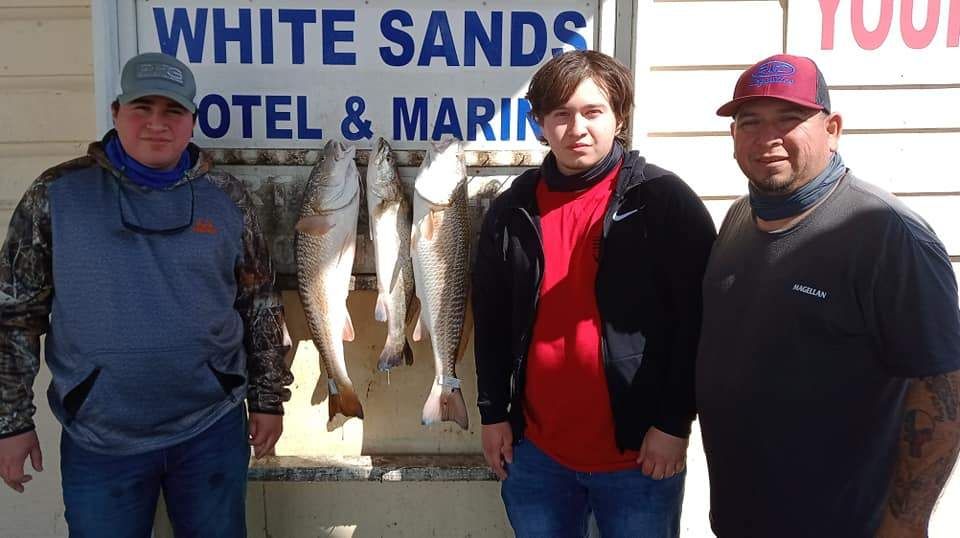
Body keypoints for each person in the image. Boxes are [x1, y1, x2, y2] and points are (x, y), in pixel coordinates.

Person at [0, 52, 293, 536]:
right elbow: (14, 314)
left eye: (173, 110)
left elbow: (259, 303)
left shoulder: (227, 197)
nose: (157, 124)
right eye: (143, 108)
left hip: (211, 428)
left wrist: (267, 400)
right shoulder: (56, 195)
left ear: (192, 121)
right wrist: (11, 421)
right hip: (100, 439)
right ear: (116, 113)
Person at [696, 53, 960, 537]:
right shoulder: (738, 219)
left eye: (788, 119)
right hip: (740, 519)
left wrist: (906, 523)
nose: (767, 137)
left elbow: (943, 387)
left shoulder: (887, 235)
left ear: (832, 129)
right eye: (750, 122)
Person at [472, 50, 716, 537]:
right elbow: (492, 319)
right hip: (537, 455)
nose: (577, 128)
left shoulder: (663, 201)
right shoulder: (512, 208)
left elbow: (698, 323)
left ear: (619, 118)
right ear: (540, 123)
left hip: (639, 458)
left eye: (592, 112)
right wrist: (493, 413)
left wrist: (674, 425)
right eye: (561, 114)